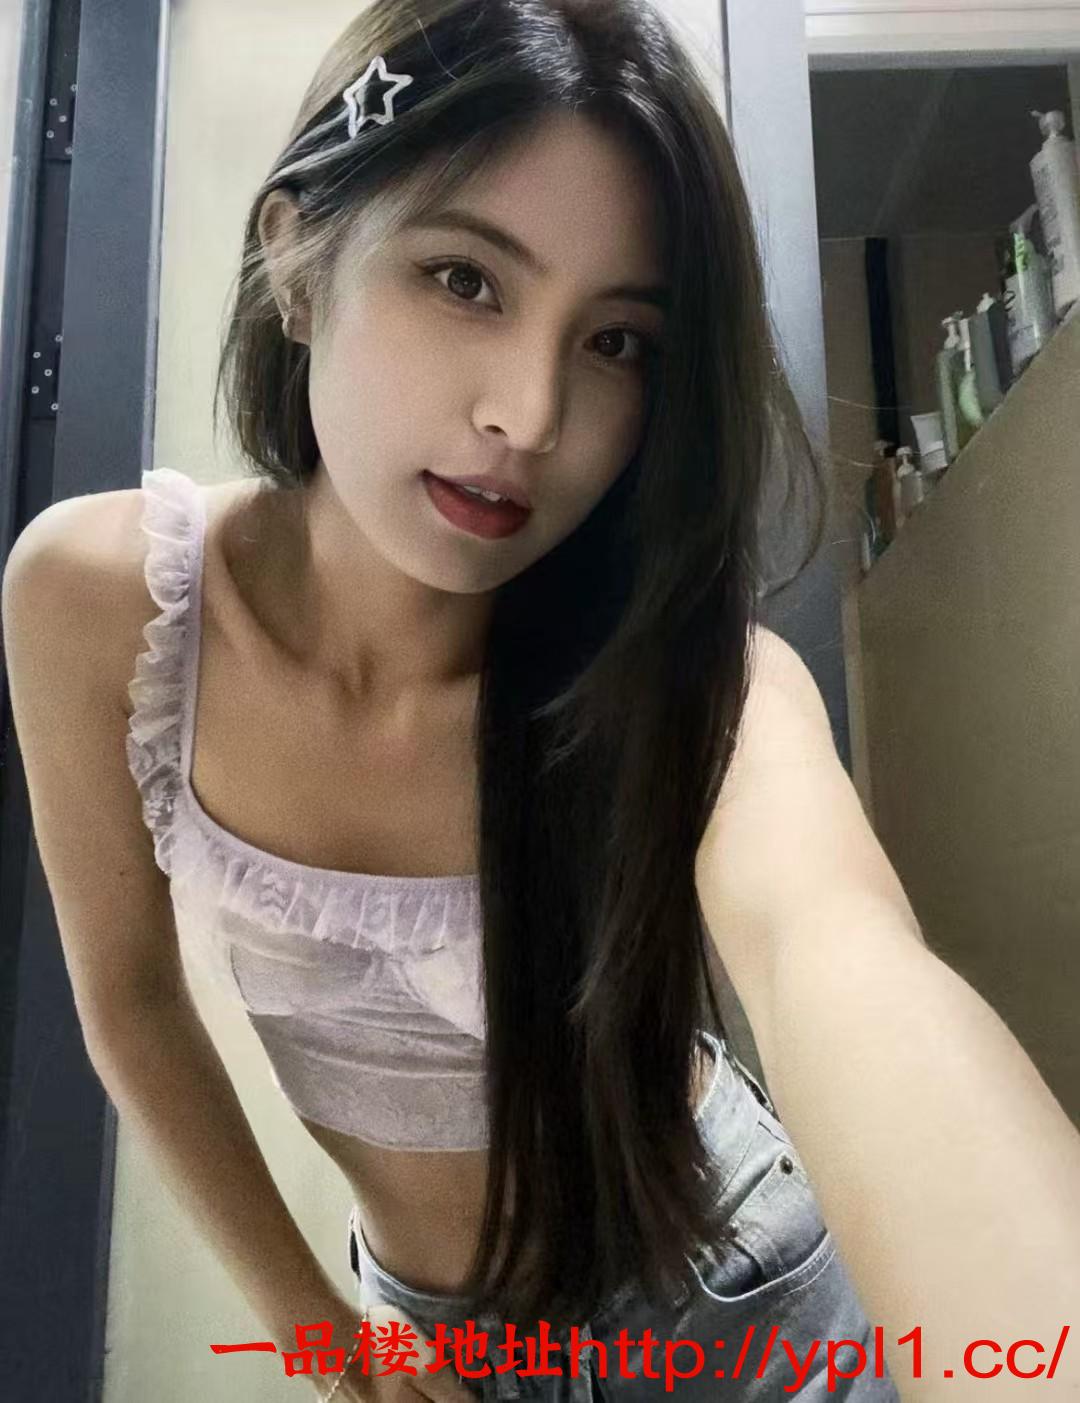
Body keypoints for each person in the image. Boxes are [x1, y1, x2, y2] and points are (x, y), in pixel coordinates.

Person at [4, 0, 1079, 1398]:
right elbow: (131, 1001)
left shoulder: (689, 682)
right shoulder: (102, 603)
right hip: (443, 1349)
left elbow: (840, 958)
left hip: (744, 1307)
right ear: (296, 262)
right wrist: (320, 1334)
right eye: (465, 279)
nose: (532, 414)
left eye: (618, 342)